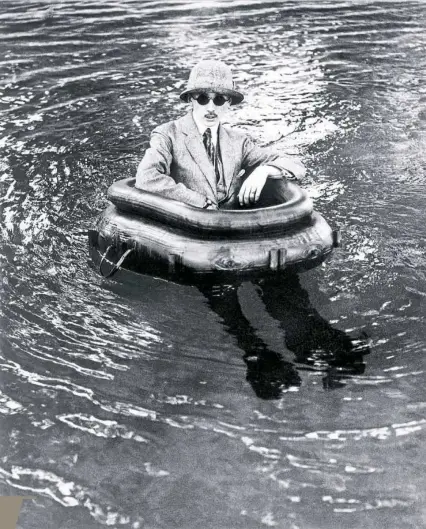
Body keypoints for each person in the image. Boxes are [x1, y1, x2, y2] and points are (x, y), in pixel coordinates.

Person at [135, 59, 306, 210]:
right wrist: (199, 202)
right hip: (189, 226)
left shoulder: (239, 142)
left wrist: (264, 170)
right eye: (202, 98)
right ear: (191, 100)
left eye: (219, 99)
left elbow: (295, 164)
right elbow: (147, 177)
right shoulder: (167, 135)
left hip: (231, 227)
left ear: (229, 103)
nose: (211, 108)